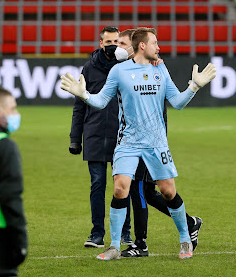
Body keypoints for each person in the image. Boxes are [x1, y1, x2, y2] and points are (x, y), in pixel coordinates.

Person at [60, 27, 216, 260]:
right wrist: (83, 95)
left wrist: (195, 86)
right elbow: (101, 101)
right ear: (142, 45)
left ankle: (185, 240)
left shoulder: (160, 68)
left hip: (156, 143)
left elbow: (178, 102)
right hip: (128, 141)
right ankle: (114, 246)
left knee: (167, 190)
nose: (158, 47)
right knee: (120, 188)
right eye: (155, 42)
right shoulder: (119, 71)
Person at [115, 29, 203, 258]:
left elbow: (173, 100)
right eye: (115, 43)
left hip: (149, 140)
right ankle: (188, 223)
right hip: (122, 137)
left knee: (143, 190)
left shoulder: (154, 67)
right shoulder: (117, 70)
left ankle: (141, 243)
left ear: (136, 46)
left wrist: (193, 86)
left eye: (122, 43)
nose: (118, 47)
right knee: (136, 189)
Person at [69, 26, 132, 248]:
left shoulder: (128, 67)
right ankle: (97, 233)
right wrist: (75, 138)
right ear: (100, 43)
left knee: (123, 186)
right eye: (108, 42)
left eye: (117, 41)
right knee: (97, 185)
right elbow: (79, 105)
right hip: (94, 134)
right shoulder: (89, 68)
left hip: (122, 136)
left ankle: (125, 233)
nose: (113, 46)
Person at [0, 86, 27, 276]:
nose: (16, 114)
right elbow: (10, 197)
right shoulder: (3, 145)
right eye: (12, 108)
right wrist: (20, 240)